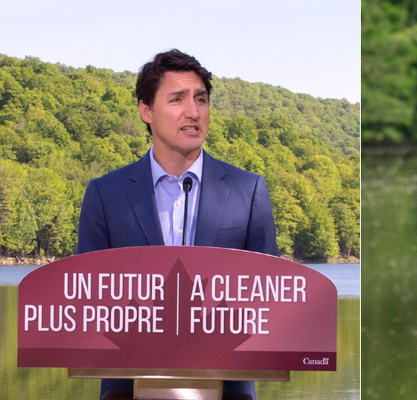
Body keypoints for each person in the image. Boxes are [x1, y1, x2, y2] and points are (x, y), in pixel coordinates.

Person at [76, 49, 279, 400]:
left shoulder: (248, 190)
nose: (193, 111)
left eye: (200, 99)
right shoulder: (104, 194)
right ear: (146, 111)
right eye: (177, 99)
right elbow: (85, 299)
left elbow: (271, 301)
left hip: (229, 391)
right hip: (125, 391)